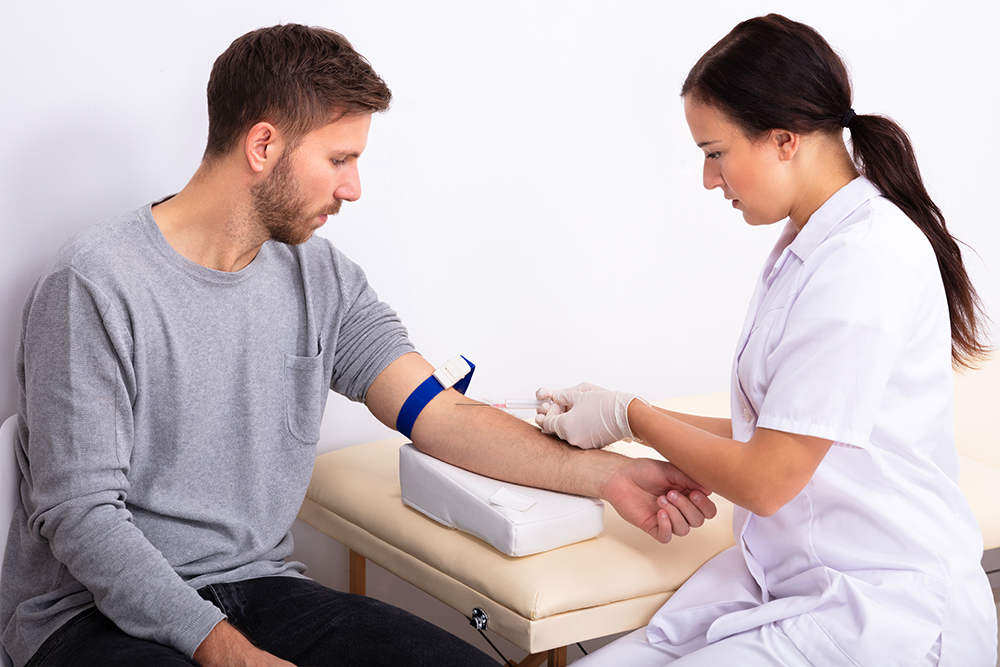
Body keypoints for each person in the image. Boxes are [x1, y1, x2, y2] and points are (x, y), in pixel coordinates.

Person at [0, 24, 718, 667]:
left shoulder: (323, 278)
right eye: (340, 158)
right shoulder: (93, 283)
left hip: (258, 590)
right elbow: (81, 516)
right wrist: (227, 652)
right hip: (89, 619)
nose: (355, 187)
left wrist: (607, 476)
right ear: (263, 145)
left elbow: (441, 416)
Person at [536, 14, 997, 667]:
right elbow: (775, 429)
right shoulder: (807, 246)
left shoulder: (865, 260)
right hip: (794, 582)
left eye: (714, 153)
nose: (707, 179)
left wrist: (630, 413)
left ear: (784, 139)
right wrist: (616, 421)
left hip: (884, 611)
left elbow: (768, 478)